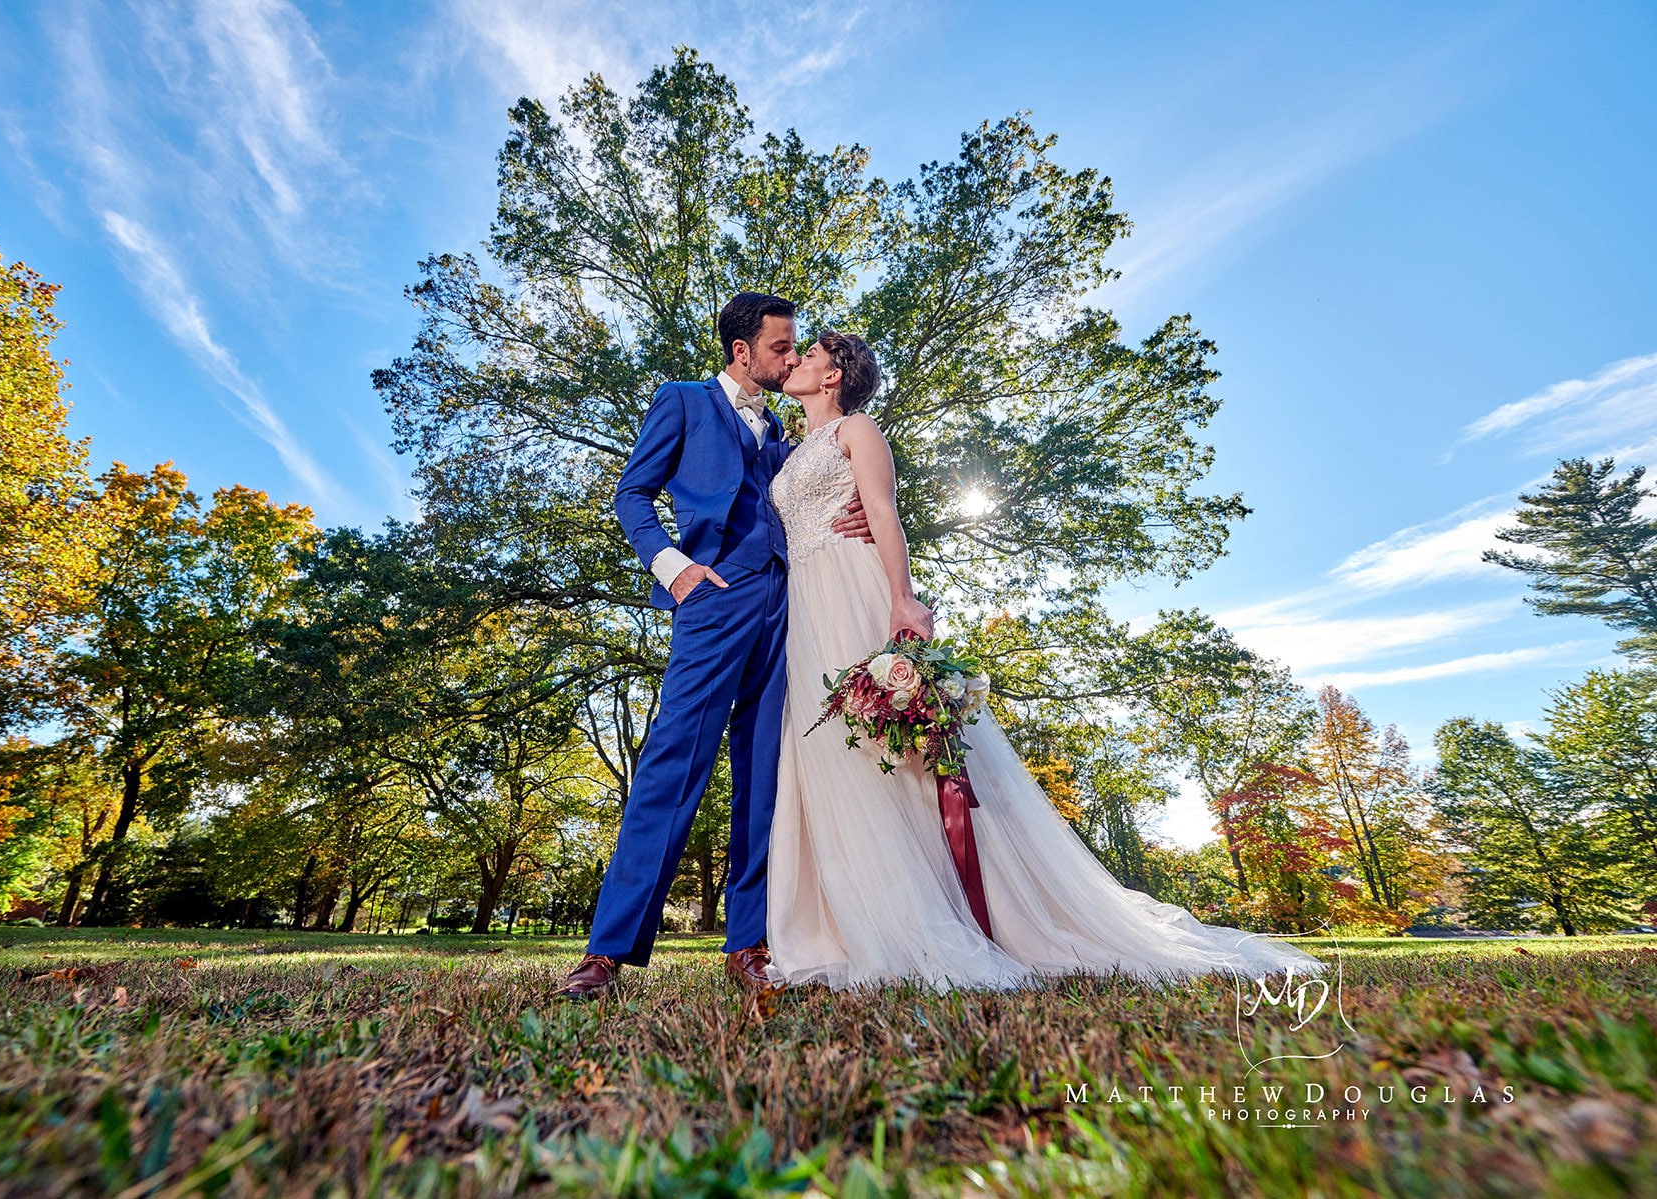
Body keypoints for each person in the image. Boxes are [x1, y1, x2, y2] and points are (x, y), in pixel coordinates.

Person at [763, 329, 1324, 990]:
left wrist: (903, 599)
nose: (795, 359)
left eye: (810, 354)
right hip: (807, 602)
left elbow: (883, 513)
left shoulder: (857, 429)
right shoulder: (793, 446)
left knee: (892, 745)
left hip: (854, 589)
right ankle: (846, 917)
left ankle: (937, 911)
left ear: (834, 375)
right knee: (831, 753)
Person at [555, 293, 871, 1000]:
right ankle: (606, 950)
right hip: (712, 600)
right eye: (782, 347)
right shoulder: (683, 401)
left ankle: (749, 942)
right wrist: (676, 570)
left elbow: (821, 490)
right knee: (673, 760)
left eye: (797, 350)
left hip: (788, 610)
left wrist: (860, 514)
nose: (792, 359)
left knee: (766, 777)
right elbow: (632, 493)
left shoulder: (787, 433)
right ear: (741, 351)